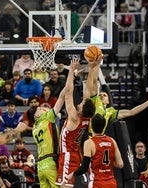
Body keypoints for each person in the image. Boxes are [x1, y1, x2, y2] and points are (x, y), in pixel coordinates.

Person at [86, 50, 148, 135]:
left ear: (108, 101)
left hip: (100, 138)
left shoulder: (111, 112)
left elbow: (132, 112)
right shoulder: (95, 102)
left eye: (104, 95)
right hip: (89, 136)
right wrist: (96, 64)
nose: (101, 95)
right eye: (100, 94)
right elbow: (93, 81)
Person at [56, 58, 96, 187]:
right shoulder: (86, 117)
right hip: (73, 155)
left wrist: (71, 71)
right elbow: (88, 91)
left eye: (82, 103)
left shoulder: (74, 117)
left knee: (64, 186)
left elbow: (68, 94)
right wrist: (91, 68)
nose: (80, 102)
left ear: (81, 110)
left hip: (68, 156)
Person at [68, 114, 124, 188]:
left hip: (97, 182)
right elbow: (120, 164)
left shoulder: (89, 143)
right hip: (111, 183)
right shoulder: (112, 141)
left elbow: (84, 167)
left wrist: (73, 174)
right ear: (104, 126)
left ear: (91, 126)